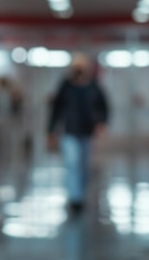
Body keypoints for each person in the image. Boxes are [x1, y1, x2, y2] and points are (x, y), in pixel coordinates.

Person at [47, 52, 109, 214]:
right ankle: (76, 198)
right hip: (69, 131)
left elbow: (104, 106)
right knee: (72, 164)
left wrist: (101, 122)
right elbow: (56, 108)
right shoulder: (66, 85)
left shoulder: (93, 85)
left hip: (87, 131)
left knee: (84, 166)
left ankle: (80, 192)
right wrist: (51, 130)